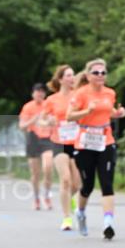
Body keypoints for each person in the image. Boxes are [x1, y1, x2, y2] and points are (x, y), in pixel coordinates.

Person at [67, 58, 125, 239]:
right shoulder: (80, 94)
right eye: (96, 72)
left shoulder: (110, 93)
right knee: (88, 185)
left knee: (107, 183)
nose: (100, 75)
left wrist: (118, 114)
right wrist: (87, 111)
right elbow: (69, 116)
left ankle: (108, 222)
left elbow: (109, 112)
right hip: (85, 142)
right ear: (87, 76)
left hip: (105, 141)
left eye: (103, 72)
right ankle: (81, 213)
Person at [44, 65, 82, 231]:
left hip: (77, 141)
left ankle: (70, 199)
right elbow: (42, 120)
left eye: (73, 75)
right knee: (65, 179)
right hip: (58, 141)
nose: (72, 78)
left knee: (76, 184)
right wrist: (49, 122)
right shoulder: (51, 100)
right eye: (68, 75)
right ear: (60, 80)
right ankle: (67, 218)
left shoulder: (78, 96)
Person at [19, 84, 54, 209]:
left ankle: (47, 196)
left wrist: (51, 122)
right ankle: (36, 198)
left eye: (42, 92)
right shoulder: (27, 107)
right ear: (33, 94)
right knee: (35, 174)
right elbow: (22, 126)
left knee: (48, 167)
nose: (39, 94)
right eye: (37, 91)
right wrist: (33, 120)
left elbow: (55, 121)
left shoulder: (49, 105)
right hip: (33, 138)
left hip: (47, 138)